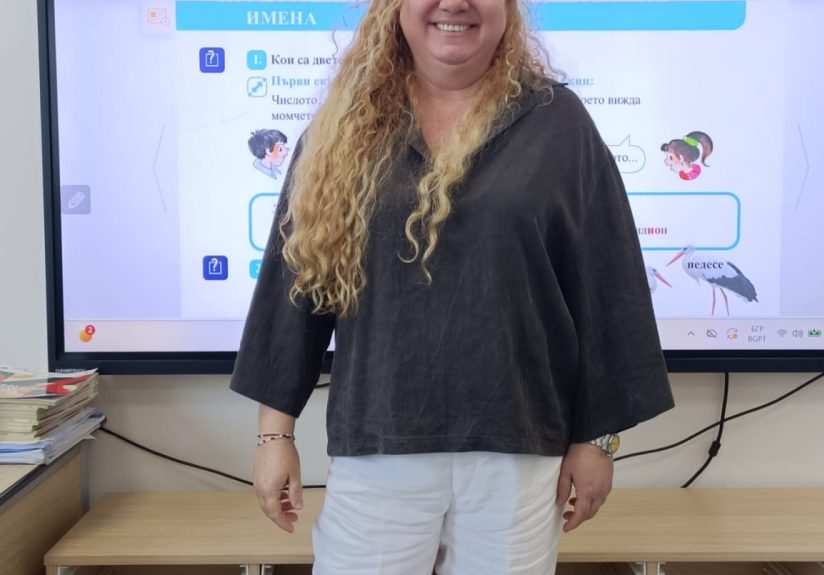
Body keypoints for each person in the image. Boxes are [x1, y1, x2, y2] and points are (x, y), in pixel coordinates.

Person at [230, 0, 675, 571]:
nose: (455, 3)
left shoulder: (558, 123)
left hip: (518, 450)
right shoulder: (344, 125)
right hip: (379, 445)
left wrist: (597, 441)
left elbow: (607, 286)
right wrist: (274, 437)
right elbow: (298, 284)